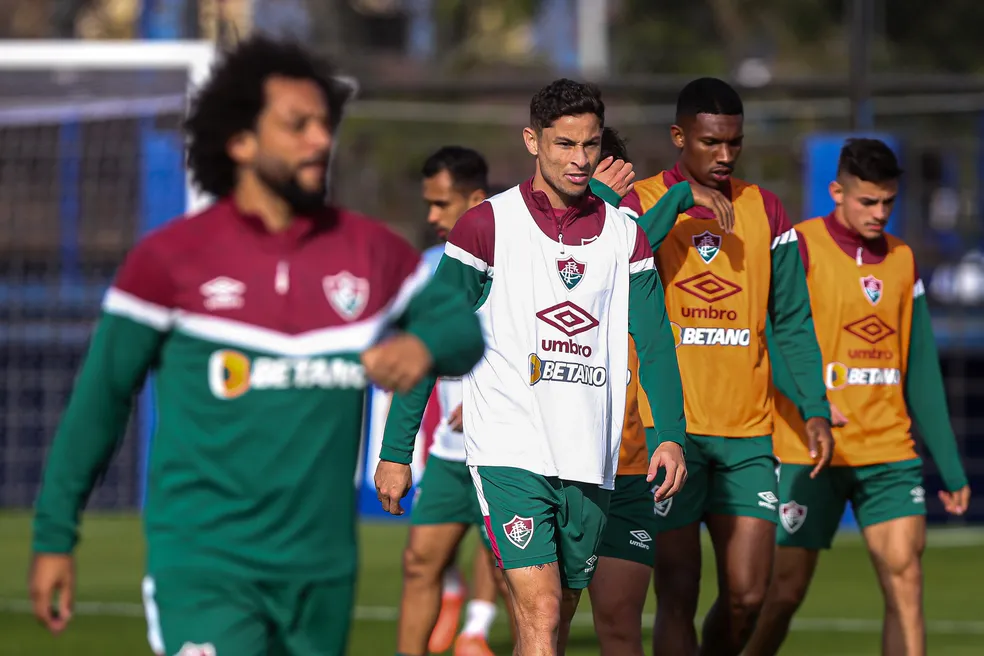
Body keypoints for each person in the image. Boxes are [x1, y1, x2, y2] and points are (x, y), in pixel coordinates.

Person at [27, 36, 485, 656]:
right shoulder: (168, 261)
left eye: (325, 123)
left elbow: (462, 330)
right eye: (297, 125)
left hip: (320, 573)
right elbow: (100, 400)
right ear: (240, 142)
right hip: (205, 567)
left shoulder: (371, 253)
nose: (320, 140)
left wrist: (425, 347)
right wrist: (56, 533)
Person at [375, 78, 699, 656]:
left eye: (590, 145)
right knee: (542, 610)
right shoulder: (487, 225)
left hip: (590, 458)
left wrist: (669, 436)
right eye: (564, 145)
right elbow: (431, 337)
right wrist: (397, 452)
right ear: (532, 141)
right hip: (508, 451)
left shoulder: (626, 237)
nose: (579, 160)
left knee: (554, 617)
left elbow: (654, 343)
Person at [619, 77, 834, 656]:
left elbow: (791, 319)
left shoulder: (765, 209)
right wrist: (679, 203)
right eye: (711, 142)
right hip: (671, 432)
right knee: (678, 592)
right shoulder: (641, 201)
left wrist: (814, 408)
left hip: (747, 436)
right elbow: (616, 263)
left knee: (748, 595)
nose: (724, 155)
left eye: (733, 143)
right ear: (678, 136)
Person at [745, 138, 972, 656]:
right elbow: (769, 335)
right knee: (782, 593)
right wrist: (814, 404)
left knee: (905, 584)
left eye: (888, 202)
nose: (879, 213)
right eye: (867, 201)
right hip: (809, 451)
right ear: (836, 191)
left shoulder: (903, 259)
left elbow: (921, 371)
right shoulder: (798, 246)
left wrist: (951, 467)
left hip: (888, 451)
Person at [587, 127, 732, 656]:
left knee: (622, 625)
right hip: (550, 466)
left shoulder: (634, 234)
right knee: (544, 623)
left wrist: (669, 436)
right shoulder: (533, 238)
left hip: (626, 461)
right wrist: (676, 196)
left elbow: (627, 254)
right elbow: (581, 269)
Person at [397, 146, 513, 656]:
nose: (432, 216)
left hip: (511, 450)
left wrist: (496, 394)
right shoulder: (426, 268)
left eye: (442, 204)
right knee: (421, 560)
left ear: (477, 200)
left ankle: (475, 631)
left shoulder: (520, 262)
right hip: (449, 451)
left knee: (518, 578)